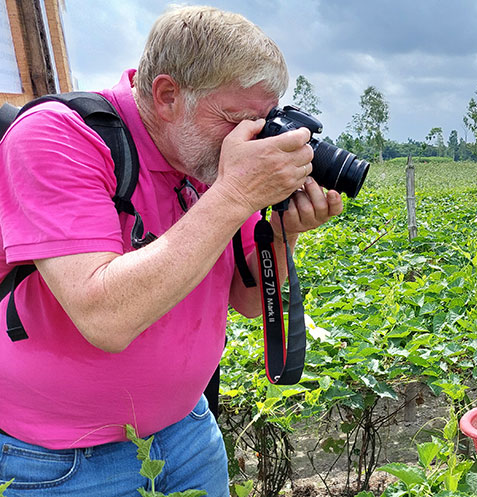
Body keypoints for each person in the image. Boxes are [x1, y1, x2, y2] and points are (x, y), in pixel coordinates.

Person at [0, 6, 342, 496]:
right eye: (237, 118)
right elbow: (106, 319)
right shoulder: (58, 136)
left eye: (263, 120)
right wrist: (235, 195)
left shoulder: (207, 159)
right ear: (167, 95)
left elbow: (247, 300)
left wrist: (286, 230)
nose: (251, 138)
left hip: (187, 433)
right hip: (57, 462)